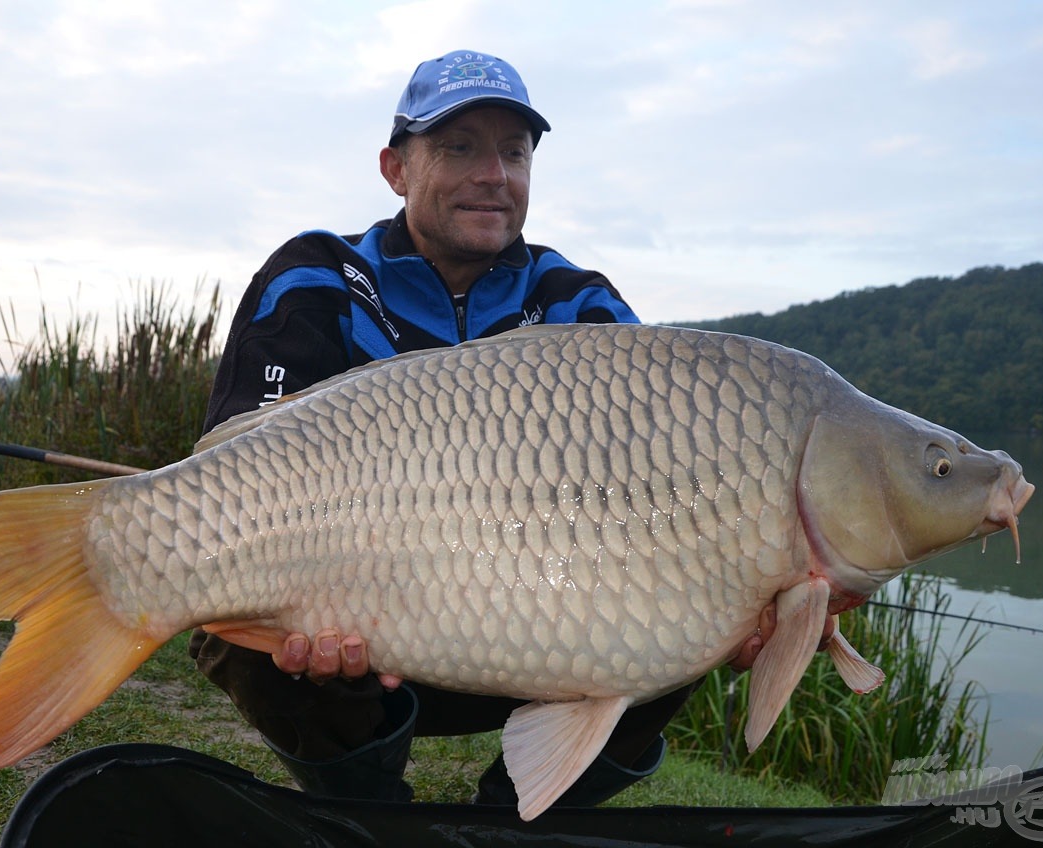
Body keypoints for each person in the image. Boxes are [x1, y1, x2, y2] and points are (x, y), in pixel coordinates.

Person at [189, 49, 821, 811]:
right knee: (227, 606)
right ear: (395, 167)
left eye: (513, 152)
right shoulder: (317, 276)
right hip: (354, 635)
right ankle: (368, 816)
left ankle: (513, 823)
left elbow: (667, 492)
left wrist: (748, 590)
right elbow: (232, 469)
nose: (494, 173)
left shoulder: (578, 304)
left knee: (685, 619)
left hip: (533, 630)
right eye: (460, 148)